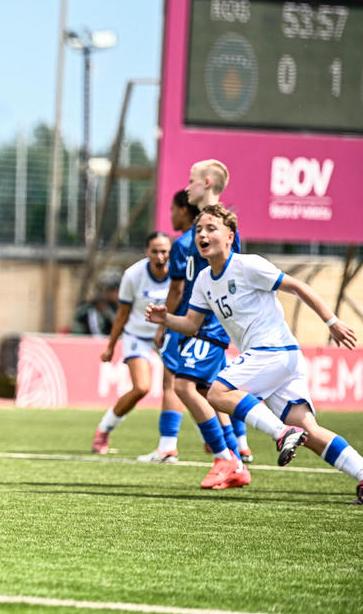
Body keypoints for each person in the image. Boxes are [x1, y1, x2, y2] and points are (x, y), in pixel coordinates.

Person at [147, 204, 362, 501]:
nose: (202, 235)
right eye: (198, 230)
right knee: (309, 431)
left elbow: (297, 286)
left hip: (274, 351)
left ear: (230, 236)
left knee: (217, 393)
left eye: (211, 228)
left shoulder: (248, 265)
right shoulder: (204, 281)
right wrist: (166, 319)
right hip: (276, 360)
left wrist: (331, 322)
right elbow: (192, 324)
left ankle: (280, 433)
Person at [156, 160, 250, 489]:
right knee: (213, 393)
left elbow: (228, 280)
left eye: (191, 180)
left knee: (183, 385)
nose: (187, 187)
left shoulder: (221, 233)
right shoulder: (192, 238)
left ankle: (225, 457)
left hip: (207, 326)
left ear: (207, 182)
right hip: (194, 324)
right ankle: (237, 455)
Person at [91, 232, 171, 454]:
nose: (160, 256)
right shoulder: (133, 275)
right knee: (141, 388)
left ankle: (187, 441)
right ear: (146, 252)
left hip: (166, 336)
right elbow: (122, 314)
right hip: (137, 336)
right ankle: (104, 429)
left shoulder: (179, 273)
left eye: (164, 251)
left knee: (179, 388)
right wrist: (110, 346)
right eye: (155, 251)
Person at [139, 189, 199, 463]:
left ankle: (167, 446)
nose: (171, 215)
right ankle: (238, 445)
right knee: (213, 387)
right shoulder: (219, 237)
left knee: (172, 382)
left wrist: (163, 325)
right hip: (215, 321)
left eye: (173, 209)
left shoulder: (185, 243)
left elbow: (177, 289)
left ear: (184, 209)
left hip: (186, 320)